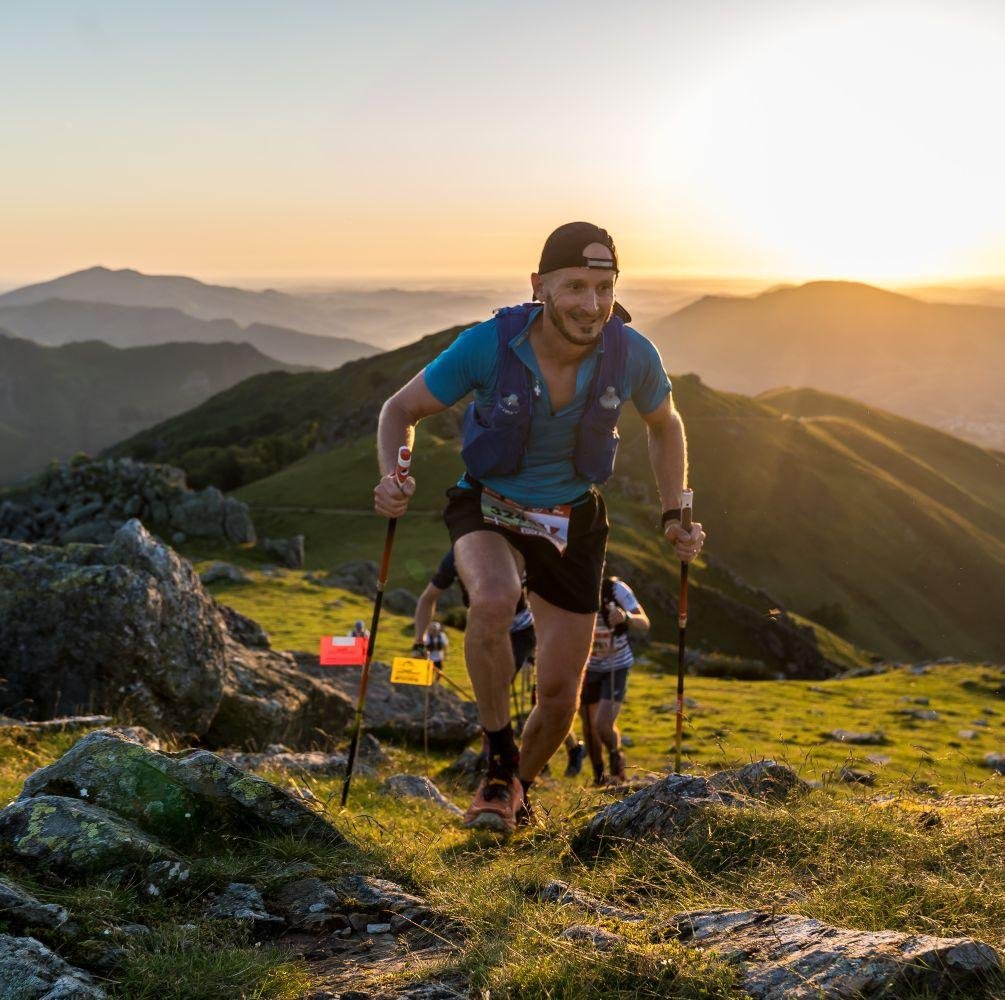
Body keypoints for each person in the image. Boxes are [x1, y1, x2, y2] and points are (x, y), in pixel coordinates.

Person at [374, 221, 705, 833]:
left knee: (558, 696)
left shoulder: (631, 353)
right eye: (575, 285)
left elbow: (667, 424)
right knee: (494, 599)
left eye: (604, 287)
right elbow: (401, 410)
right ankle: (498, 760)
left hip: (574, 516)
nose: (591, 304)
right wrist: (393, 477)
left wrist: (674, 512)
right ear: (539, 285)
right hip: (489, 503)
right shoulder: (488, 345)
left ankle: (512, 792)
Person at [580, 575, 649, 785]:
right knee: (588, 727)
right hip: (587, 665)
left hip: (616, 664)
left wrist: (625, 617)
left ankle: (615, 756)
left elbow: (644, 623)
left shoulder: (616, 589)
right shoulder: (572, 582)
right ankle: (599, 777)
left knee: (602, 724)